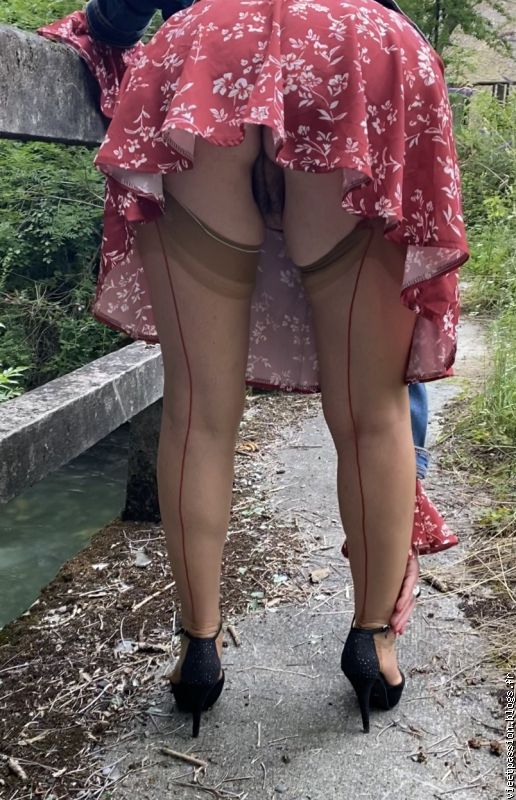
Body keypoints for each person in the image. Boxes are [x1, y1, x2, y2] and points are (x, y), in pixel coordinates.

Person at [39, 0, 468, 737]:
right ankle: (372, 646)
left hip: (207, 50)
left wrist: (96, 27)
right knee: (372, 410)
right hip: (357, 49)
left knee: (198, 408)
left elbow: (118, 16)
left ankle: (197, 652)